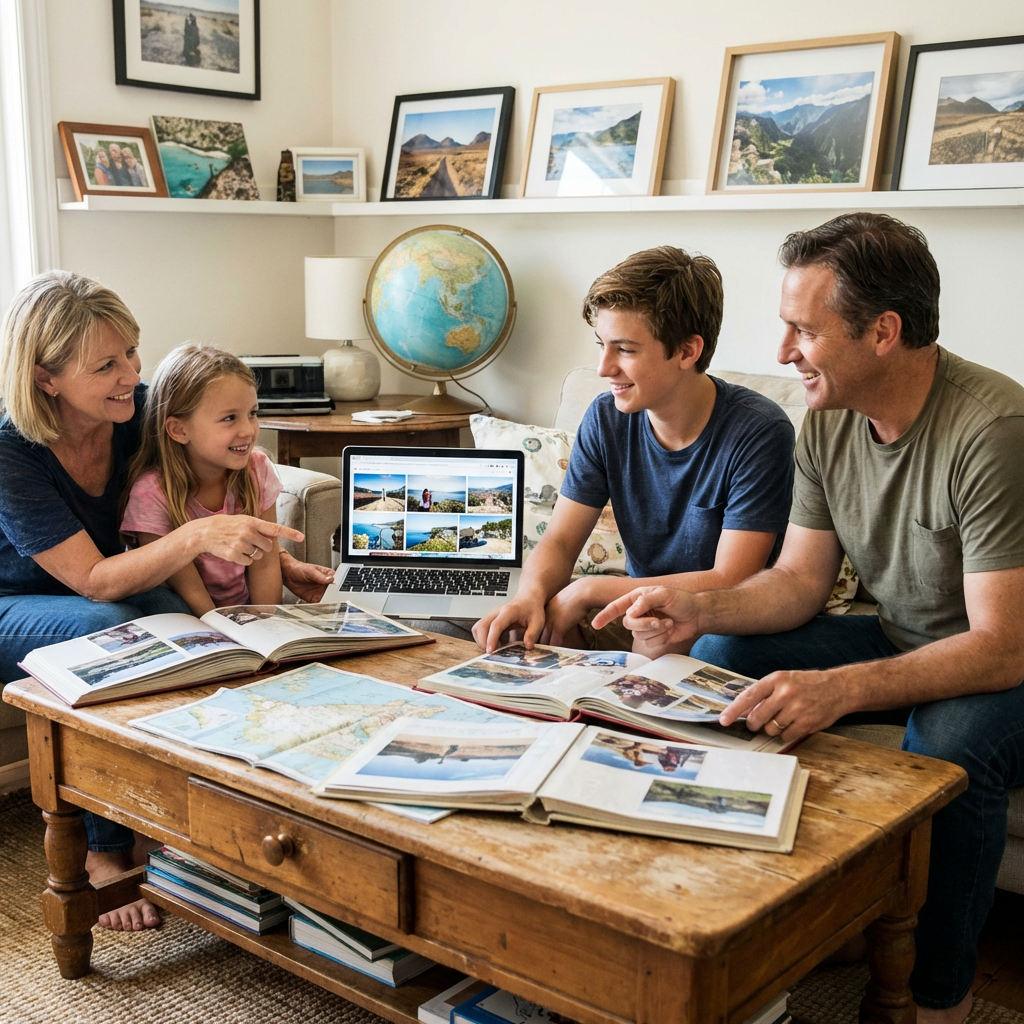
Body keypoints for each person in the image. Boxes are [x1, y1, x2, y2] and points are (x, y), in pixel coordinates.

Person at [593, 213, 1024, 1024]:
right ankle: (765, 917)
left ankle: (940, 1000)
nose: (785, 351)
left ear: (884, 332)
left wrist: (839, 689)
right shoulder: (825, 417)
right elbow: (796, 582)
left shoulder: (992, 432)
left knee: (949, 751)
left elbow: (1001, 649)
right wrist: (695, 606)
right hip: (907, 636)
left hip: (1005, 661)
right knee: (722, 651)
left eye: (803, 330)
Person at [0, 271, 334, 931]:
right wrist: (204, 535)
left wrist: (276, 556)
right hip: (21, 603)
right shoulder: (12, 452)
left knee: (205, 627)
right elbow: (96, 581)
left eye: (131, 351)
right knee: (109, 629)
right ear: (47, 378)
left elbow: (205, 488)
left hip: (119, 579)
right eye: (107, 364)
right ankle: (104, 850)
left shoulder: (141, 410)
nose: (131, 372)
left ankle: (205, 818)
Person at [474, 246, 795, 656]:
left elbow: (731, 578)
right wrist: (528, 596)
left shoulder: (758, 431)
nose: (604, 368)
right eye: (601, 344)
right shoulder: (606, 417)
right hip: (632, 611)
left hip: (717, 623)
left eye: (624, 350)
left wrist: (589, 589)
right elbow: (558, 541)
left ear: (687, 351)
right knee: (517, 633)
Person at [121, 345, 283, 614]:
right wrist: (225, 631)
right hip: (185, 615)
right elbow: (189, 589)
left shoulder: (257, 469)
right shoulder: (151, 494)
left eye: (252, 413)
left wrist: (266, 623)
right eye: (229, 418)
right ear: (179, 429)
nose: (248, 430)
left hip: (243, 615)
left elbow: (265, 563)